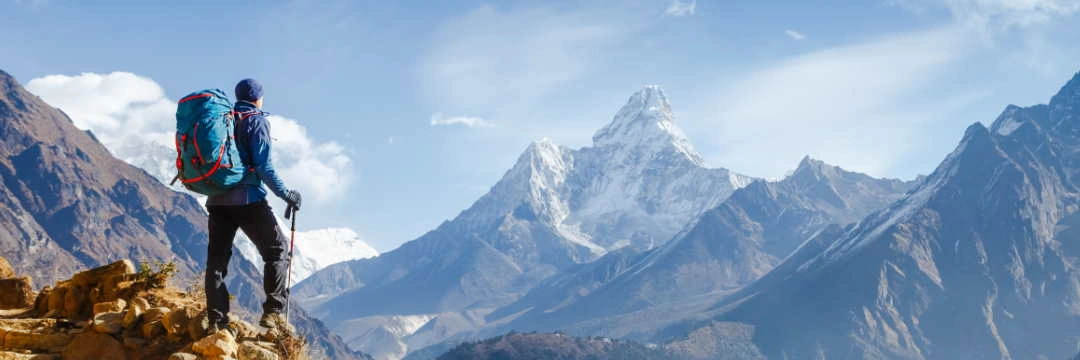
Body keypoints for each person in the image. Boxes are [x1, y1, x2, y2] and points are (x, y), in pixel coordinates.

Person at [204, 78, 302, 333]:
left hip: (216, 200)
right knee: (277, 251)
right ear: (259, 98)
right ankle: (273, 314)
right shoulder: (255, 120)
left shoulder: (221, 119)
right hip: (247, 199)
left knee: (216, 262)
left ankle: (216, 321)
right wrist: (286, 194)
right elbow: (263, 166)